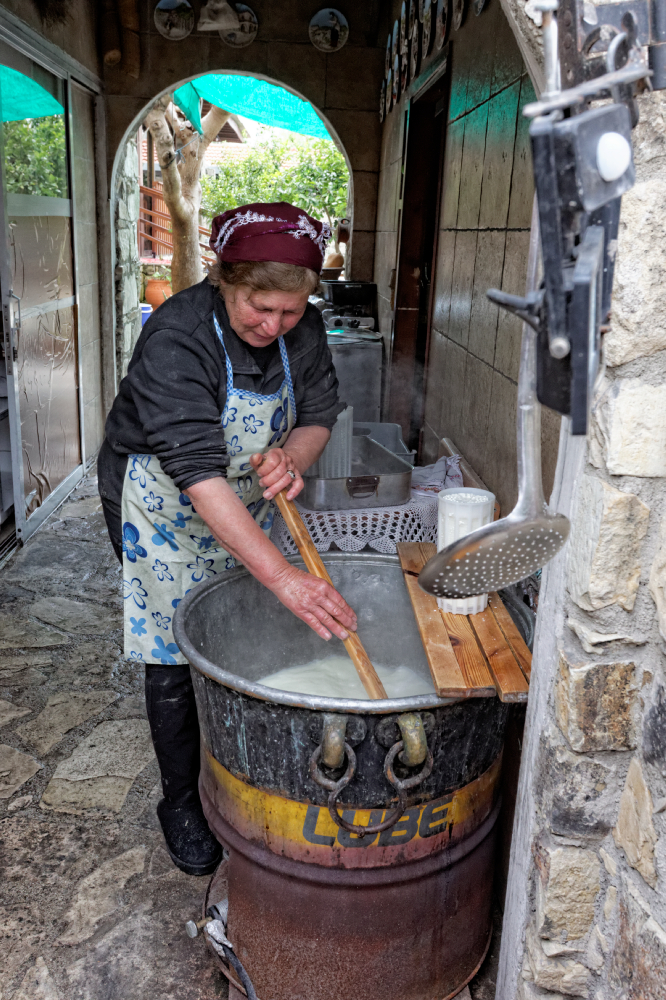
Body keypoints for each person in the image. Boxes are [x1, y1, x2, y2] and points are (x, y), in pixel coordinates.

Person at [98, 202, 357, 876]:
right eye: (259, 308)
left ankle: (243, 764)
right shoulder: (179, 336)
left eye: (291, 313)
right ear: (224, 279)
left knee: (245, 628)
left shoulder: (303, 329)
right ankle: (180, 801)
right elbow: (196, 473)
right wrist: (286, 576)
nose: (274, 327)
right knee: (174, 649)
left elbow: (319, 414)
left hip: (242, 494)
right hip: (164, 499)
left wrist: (292, 456)